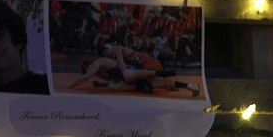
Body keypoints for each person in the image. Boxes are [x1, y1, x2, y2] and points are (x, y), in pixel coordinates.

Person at [68, 43, 199, 95]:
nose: (90, 73)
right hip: (135, 71)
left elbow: (86, 76)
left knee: (127, 75)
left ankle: (161, 73)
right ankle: (189, 86)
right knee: (158, 83)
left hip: (136, 67)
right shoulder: (101, 68)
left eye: (88, 70)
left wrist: (70, 86)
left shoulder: (101, 60)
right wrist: (100, 82)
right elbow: (111, 78)